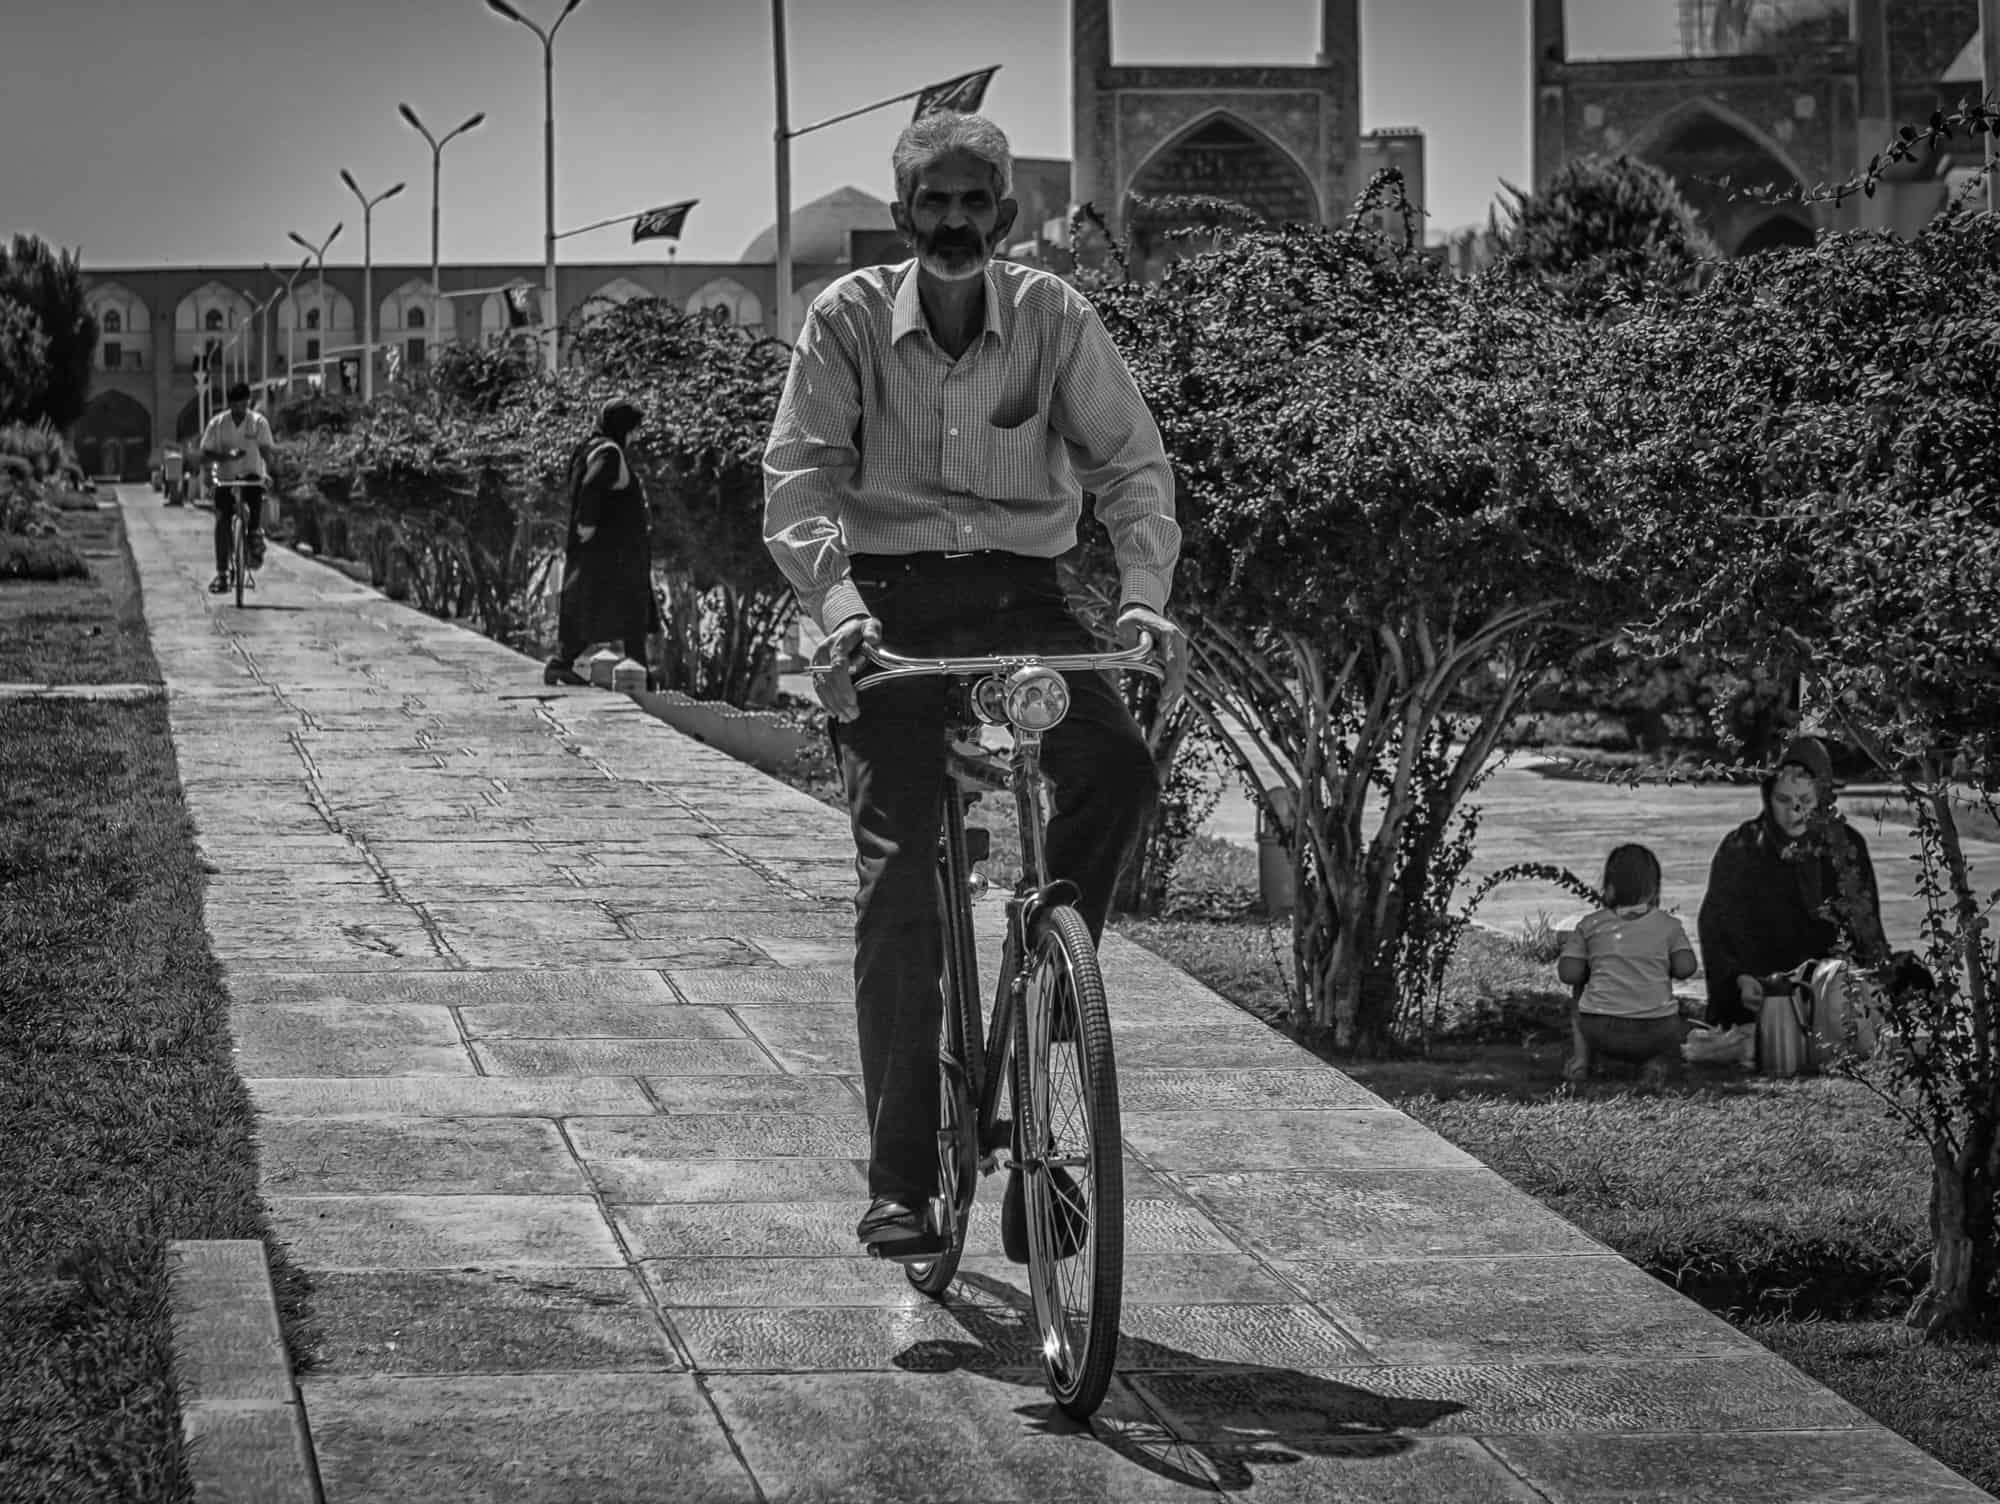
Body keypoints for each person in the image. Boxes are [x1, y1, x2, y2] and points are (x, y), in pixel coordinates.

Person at [762, 109, 1186, 1263]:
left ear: (1005, 213)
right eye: (932, 202)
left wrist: (1141, 594)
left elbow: (1131, 468)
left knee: (1117, 766)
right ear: (902, 217)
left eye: (973, 201)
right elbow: (798, 480)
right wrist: (839, 610)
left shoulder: (1054, 317)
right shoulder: (843, 321)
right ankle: (900, 1176)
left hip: (1023, 600)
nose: (954, 220)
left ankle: (1051, 996)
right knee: (900, 878)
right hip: (886, 610)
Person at [1696, 733, 1887, 1038]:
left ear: (1823, 798)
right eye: (1783, 800)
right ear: (1767, 797)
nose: (1794, 812)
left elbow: (1866, 927)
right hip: (1764, 993)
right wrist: (1738, 980)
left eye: (1805, 801)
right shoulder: (1742, 847)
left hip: (1831, 986)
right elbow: (1716, 929)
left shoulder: (1846, 846)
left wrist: (1864, 974)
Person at [1559, 843, 1698, 1089]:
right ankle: (1654, 1063)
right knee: (1669, 1005)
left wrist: (1593, 964)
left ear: (1609, 888)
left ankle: (1581, 1061)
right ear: (1654, 889)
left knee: (1580, 990)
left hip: (1601, 1030)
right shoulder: (1669, 926)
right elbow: (1687, 968)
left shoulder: (1591, 925)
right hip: (1656, 1031)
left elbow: (1568, 974)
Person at [544, 399, 660, 688]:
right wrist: (587, 523)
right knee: (624, 607)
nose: (635, 437)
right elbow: (592, 485)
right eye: (633, 430)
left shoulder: (592, 447)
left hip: (609, 552)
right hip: (614, 553)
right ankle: (564, 663)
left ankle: (636, 670)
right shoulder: (609, 453)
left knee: (613, 608)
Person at [199, 382, 276, 593]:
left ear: (248, 402)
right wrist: (225, 457)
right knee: (222, 521)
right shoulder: (218, 424)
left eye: (243, 405)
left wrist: (268, 473)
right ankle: (222, 574)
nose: (239, 410)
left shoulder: (258, 423)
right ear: (229, 404)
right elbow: (205, 454)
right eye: (235, 406)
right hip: (226, 479)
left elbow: (267, 452)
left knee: (254, 514)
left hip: (251, 478)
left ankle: (253, 538)